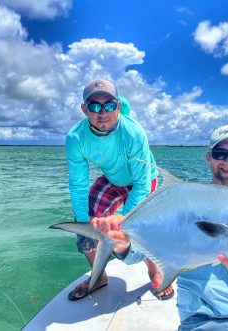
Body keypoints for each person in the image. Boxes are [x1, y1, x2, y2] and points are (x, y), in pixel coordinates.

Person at [92, 124, 228, 330]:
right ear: (209, 158)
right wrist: (122, 244)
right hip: (202, 321)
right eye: (221, 154)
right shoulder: (184, 200)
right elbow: (135, 257)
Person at [65, 78, 174, 301]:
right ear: (84, 109)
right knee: (85, 224)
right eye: (94, 106)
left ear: (118, 106)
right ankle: (99, 276)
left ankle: (154, 271)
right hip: (113, 180)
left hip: (144, 179)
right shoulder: (75, 138)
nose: (102, 112)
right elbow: (78, 185)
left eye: (109, 105)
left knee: (144, 227)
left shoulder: (133, 132)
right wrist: (84, 222)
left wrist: (122, 218)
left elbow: (142, 184)